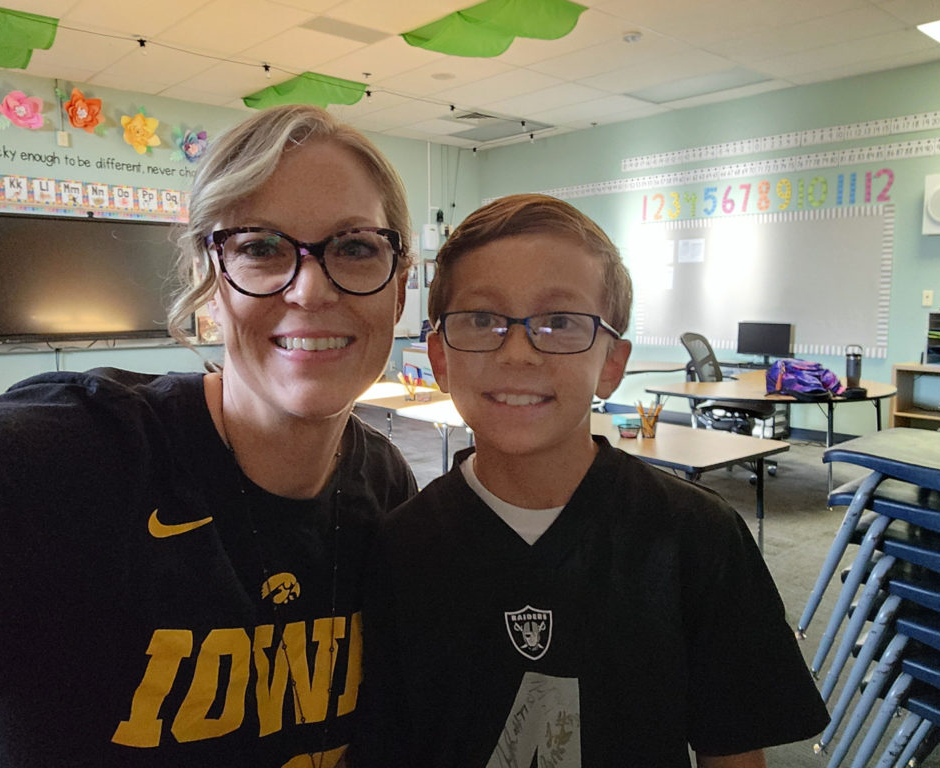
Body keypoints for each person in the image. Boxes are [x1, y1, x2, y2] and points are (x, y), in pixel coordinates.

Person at [0, 104, 418, 767]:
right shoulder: (61, 458)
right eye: (260, 248)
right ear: (208, 285)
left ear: (398, 291)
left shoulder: (386, 486)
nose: (311, 289)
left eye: (355, 247)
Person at [355, 193, 829, 768]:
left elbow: (730, 751)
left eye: (559, 322)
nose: (519, 352)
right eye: (482, 319)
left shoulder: (698, 539)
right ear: (438, 357)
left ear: (612, 364)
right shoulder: (401, 547)